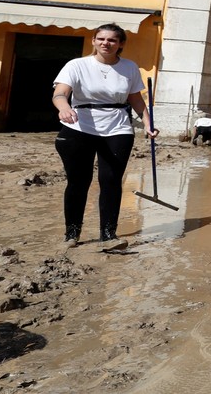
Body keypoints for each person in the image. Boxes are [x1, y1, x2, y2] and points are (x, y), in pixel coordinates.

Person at [51, 23, 157, 248]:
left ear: (120, 44)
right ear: (93, 41)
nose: (105, 43)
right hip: (80, 126)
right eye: (101, 39)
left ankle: (108, 235)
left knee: (110, 181)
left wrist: (147, 123)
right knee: (79, 181)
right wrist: (63, 107)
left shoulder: (129, 67)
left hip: (117, 127)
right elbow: (60, 93)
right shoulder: (77, 65)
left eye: (111, 40)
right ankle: (72, 234)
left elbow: (135, 98)